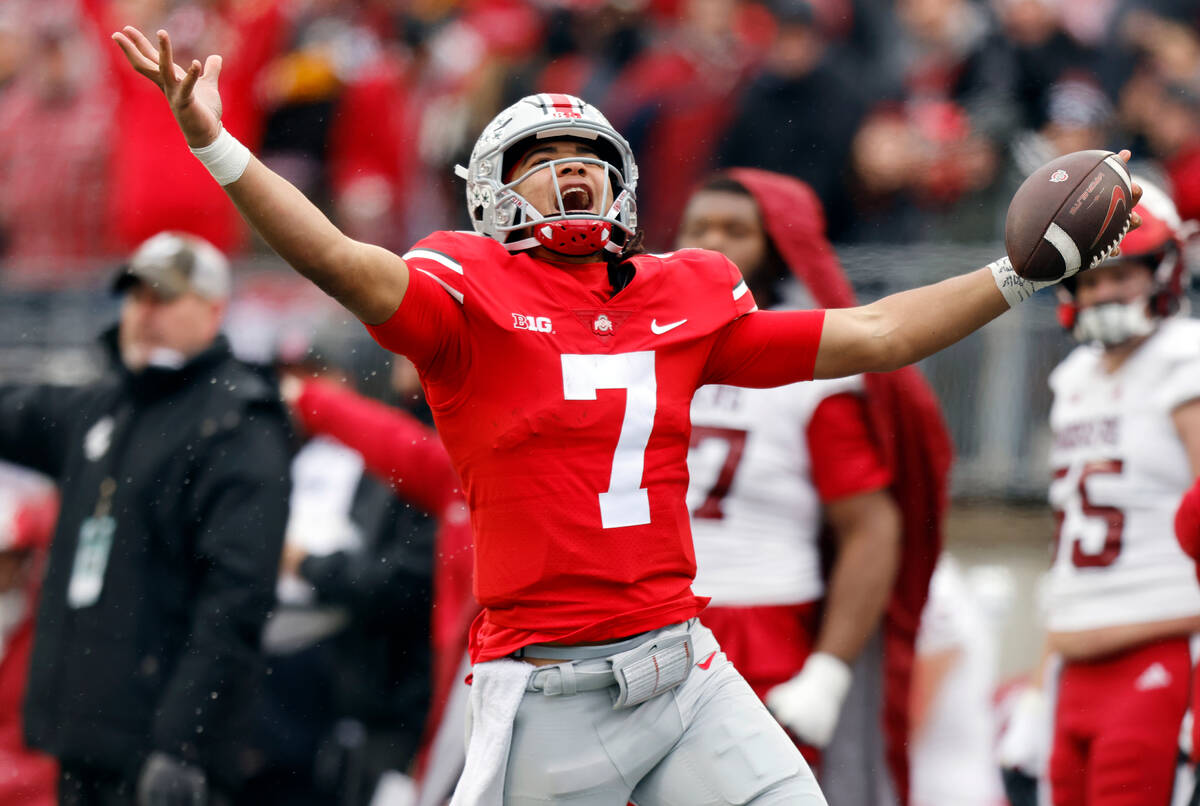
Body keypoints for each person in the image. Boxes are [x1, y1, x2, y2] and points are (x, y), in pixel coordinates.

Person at [111, 24, 1140, 804]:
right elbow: (335, 257)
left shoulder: (685, 293)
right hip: (550, 685)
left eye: (588, 156)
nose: (572, 173)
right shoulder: (463, 295)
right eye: (541, 159)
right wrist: (215, 143)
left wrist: (1016, 272)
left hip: (686, 661)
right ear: (491, 194)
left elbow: (874, 334)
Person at [676, 169, 952, 806]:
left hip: (761, 616)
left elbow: (871, 525)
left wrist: (828, 668)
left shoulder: (811, 359)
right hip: (647, 619)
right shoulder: (647, 342)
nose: (714, 243)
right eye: (699, 227)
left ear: (779, 246)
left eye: (736, 230)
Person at [0, 231, 293, 805]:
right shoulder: (109, 402)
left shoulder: (236, 424)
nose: (144, 313)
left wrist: (183, 743)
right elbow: (17, 413)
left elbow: (236, 600)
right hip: (84, 740)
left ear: (214, 309)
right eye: (136, 297)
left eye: (164, 297)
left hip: (161, 753)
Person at [1004, 181, 1200, 806]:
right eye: (1089, 280)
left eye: (1122, 275)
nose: (1103, 292)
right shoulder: (1073, 382)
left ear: (1164, 269)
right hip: (1074, 659)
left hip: (1161, 647)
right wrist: (1039, 683)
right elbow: (1067, 548)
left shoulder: (1184, 361)